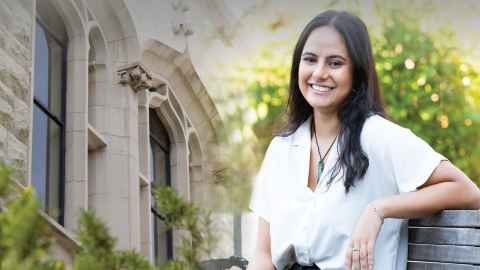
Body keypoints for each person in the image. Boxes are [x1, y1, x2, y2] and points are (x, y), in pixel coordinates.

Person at [247, 10, 480, 270]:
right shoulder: (281, 150)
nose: (319, 73)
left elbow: (467, 191)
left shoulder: (379, 137)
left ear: (357, 73)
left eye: (335, 63)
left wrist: (378, 210)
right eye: (310, 59)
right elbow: (263, 256)